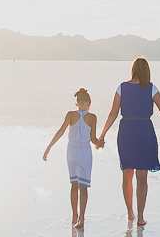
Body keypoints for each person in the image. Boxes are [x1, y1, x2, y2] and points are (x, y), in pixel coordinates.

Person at [96, 57, 160, 225]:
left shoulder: (121, 88)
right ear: (147, 70)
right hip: (144, 130)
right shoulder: (151, 88)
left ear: (133, 69)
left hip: (127, 131)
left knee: (127, 174)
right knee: (142, 177)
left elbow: (113, 113)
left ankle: (130, 212)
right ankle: (141, 216)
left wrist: (102, 135)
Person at [43, 87, 103, 229]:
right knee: (83, 187)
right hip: (84, 151)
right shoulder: (92, 117)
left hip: (72, 151)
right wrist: (100, 144)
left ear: (77, 103)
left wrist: (49, 147)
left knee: (74, 185)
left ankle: (74, 215)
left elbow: (61, 131)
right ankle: (81, 218)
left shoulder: (70, 115)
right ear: (89, 103)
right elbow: (93, 140)